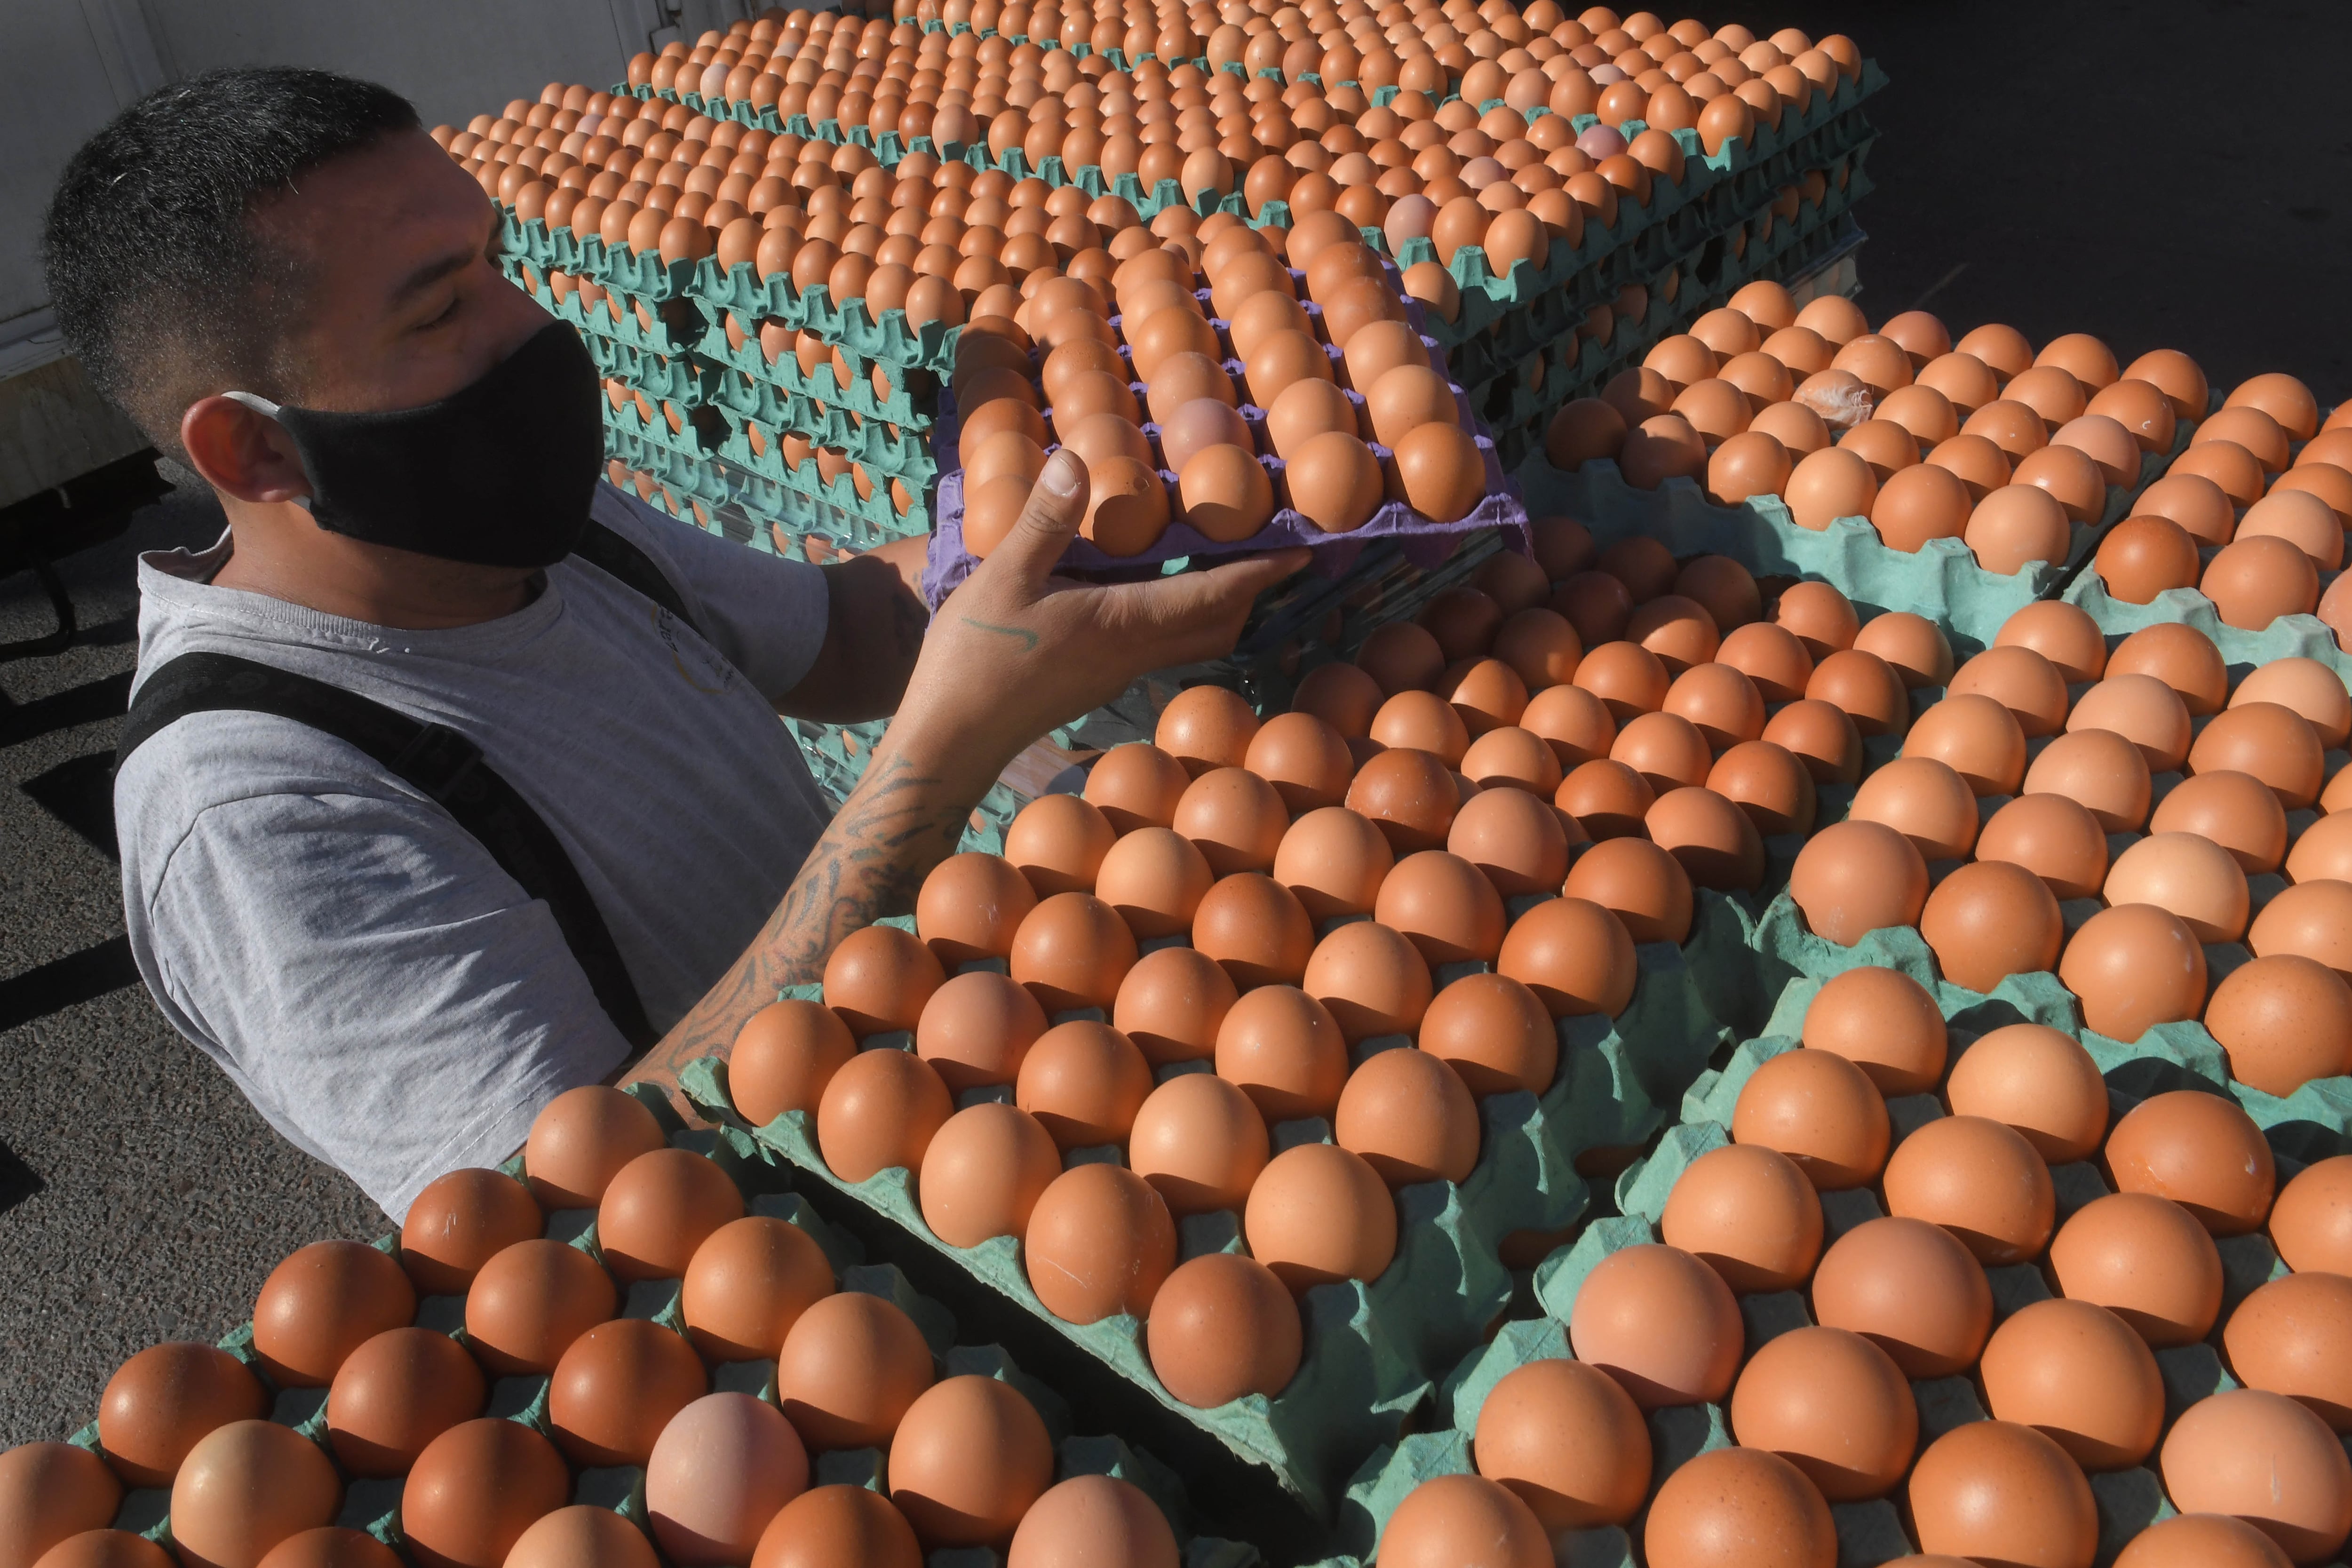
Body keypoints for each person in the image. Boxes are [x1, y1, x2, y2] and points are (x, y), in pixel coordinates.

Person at [46, 66, 1305, 1220]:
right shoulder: (259, 807)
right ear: (254, 449)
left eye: (493, 261)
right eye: (439, 314)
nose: (528, 327)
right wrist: (950, 746)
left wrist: (1073, 513)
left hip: (930, 1107)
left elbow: (844, 641)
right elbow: (577, 1215)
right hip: (812, 1301)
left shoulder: (522, 528)